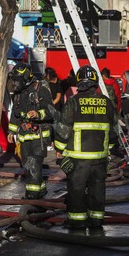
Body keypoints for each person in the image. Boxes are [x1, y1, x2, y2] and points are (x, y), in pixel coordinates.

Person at [54, 65, 118, 229]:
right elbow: (113, 131)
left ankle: (78, 221)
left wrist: (59, 149)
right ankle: (96, 220)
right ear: (95, 82)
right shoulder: (106, 102)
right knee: (97, 189)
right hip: (100, 158)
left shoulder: (74, 102)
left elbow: (64, 128)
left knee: (77, 189)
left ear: (79, 82)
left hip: (79, 158)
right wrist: (108, 150)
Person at [7, 62, 55, 199]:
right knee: (29, 166)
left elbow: (51, 112)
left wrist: (38, 114)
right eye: (13, 80)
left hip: (39, 136)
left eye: (17, 80)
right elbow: (15, 115)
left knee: (33, 165)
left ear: (27, 78)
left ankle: (31, 196)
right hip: (24, 137)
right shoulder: (18, 94)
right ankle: (41, 192)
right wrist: (11, 131)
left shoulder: (41, 90)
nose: (15, 83)